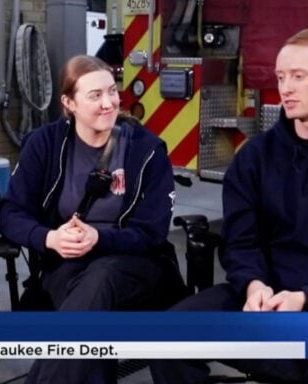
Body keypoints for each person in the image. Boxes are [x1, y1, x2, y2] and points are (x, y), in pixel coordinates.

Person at [0, 54, 178, 383]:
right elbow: (10, 213)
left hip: (137, 265)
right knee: (90, 317)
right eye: (95, 96)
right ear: (69, 103)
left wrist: (100, 239)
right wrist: (49, 238)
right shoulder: (44, 145)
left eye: (111, 91)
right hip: (66, 264)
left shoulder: (146, 149)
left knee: (102, 277)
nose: (109, 103)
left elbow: (153, 231)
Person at [149, 28, 308, 384]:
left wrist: (302, 298)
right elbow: (241, 239)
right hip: (262, 299)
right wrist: (254, 285)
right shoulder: (255, 157)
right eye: (282, 77)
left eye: (300, 76)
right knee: (166, 337)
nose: (287, 87)